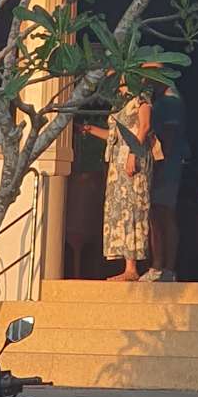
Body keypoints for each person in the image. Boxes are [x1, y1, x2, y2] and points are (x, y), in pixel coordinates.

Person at [85, 87, 155, 282]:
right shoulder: (119, 103)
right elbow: (114, 136)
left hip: (133, 158)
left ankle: (132, 268)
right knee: (120, 207)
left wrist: (134, 153)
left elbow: (144, 126)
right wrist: (90, 129)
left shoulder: (141, 98)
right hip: (118, 162)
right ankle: (127, 265)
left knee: (132, 207)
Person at [145, 81, 189, 282]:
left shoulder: (170, 102)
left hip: (166, 164)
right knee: (158, 213)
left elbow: (169, 136)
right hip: (166, 163)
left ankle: (162, 266)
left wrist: (161, 164)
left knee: (162, 213)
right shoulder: (165, 101)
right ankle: (162, 266)